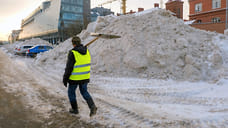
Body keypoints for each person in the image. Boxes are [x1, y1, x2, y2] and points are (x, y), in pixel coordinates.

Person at [63, 36, 97, 117]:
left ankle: (75, 109)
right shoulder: (87, 51)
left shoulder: (73, 53)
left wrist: (65, 78)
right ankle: (92, 106)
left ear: (73, 43)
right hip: (85, 77)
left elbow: (69, 68)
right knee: (84, 92)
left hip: (74, 78)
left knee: (71, 93)